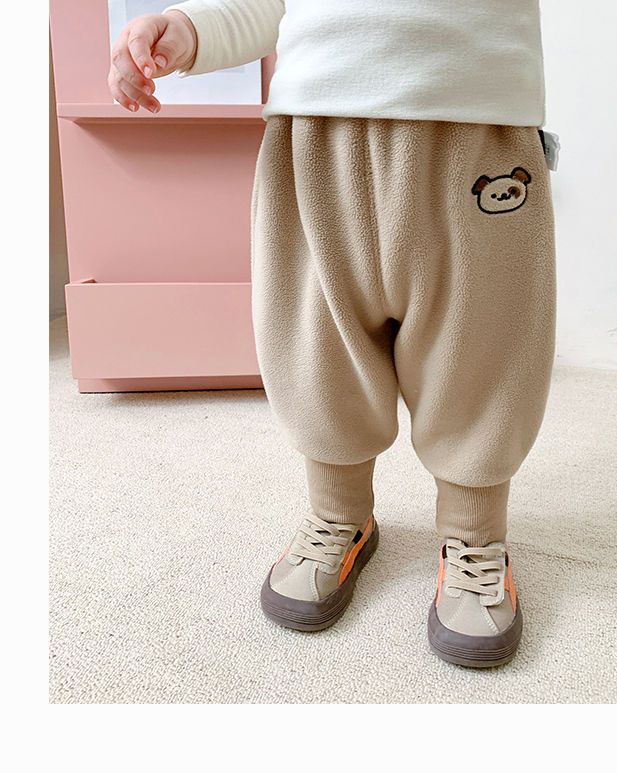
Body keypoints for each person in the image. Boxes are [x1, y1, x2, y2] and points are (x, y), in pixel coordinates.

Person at [108, 0, 555, 668]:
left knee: (484, 344)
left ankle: (474, 532)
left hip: (477, 121)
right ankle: (339, 512)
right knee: (316, 341)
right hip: (316, 132)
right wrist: (190, 28)